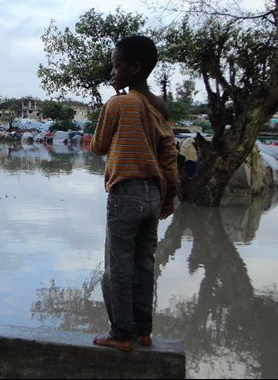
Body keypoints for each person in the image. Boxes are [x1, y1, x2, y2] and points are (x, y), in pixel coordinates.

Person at [90, 35, 179, 352]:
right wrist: (169, 196)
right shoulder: (159, 106)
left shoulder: (118, 103)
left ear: (134, 67)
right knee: (144, 263)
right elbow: (169, 153)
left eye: (117, 65)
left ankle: (120, 334)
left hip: (125, 192)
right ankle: (143, 331)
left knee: (117, 266)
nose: (113, 71)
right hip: (153, 193)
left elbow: (99, 147)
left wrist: (115, 101)